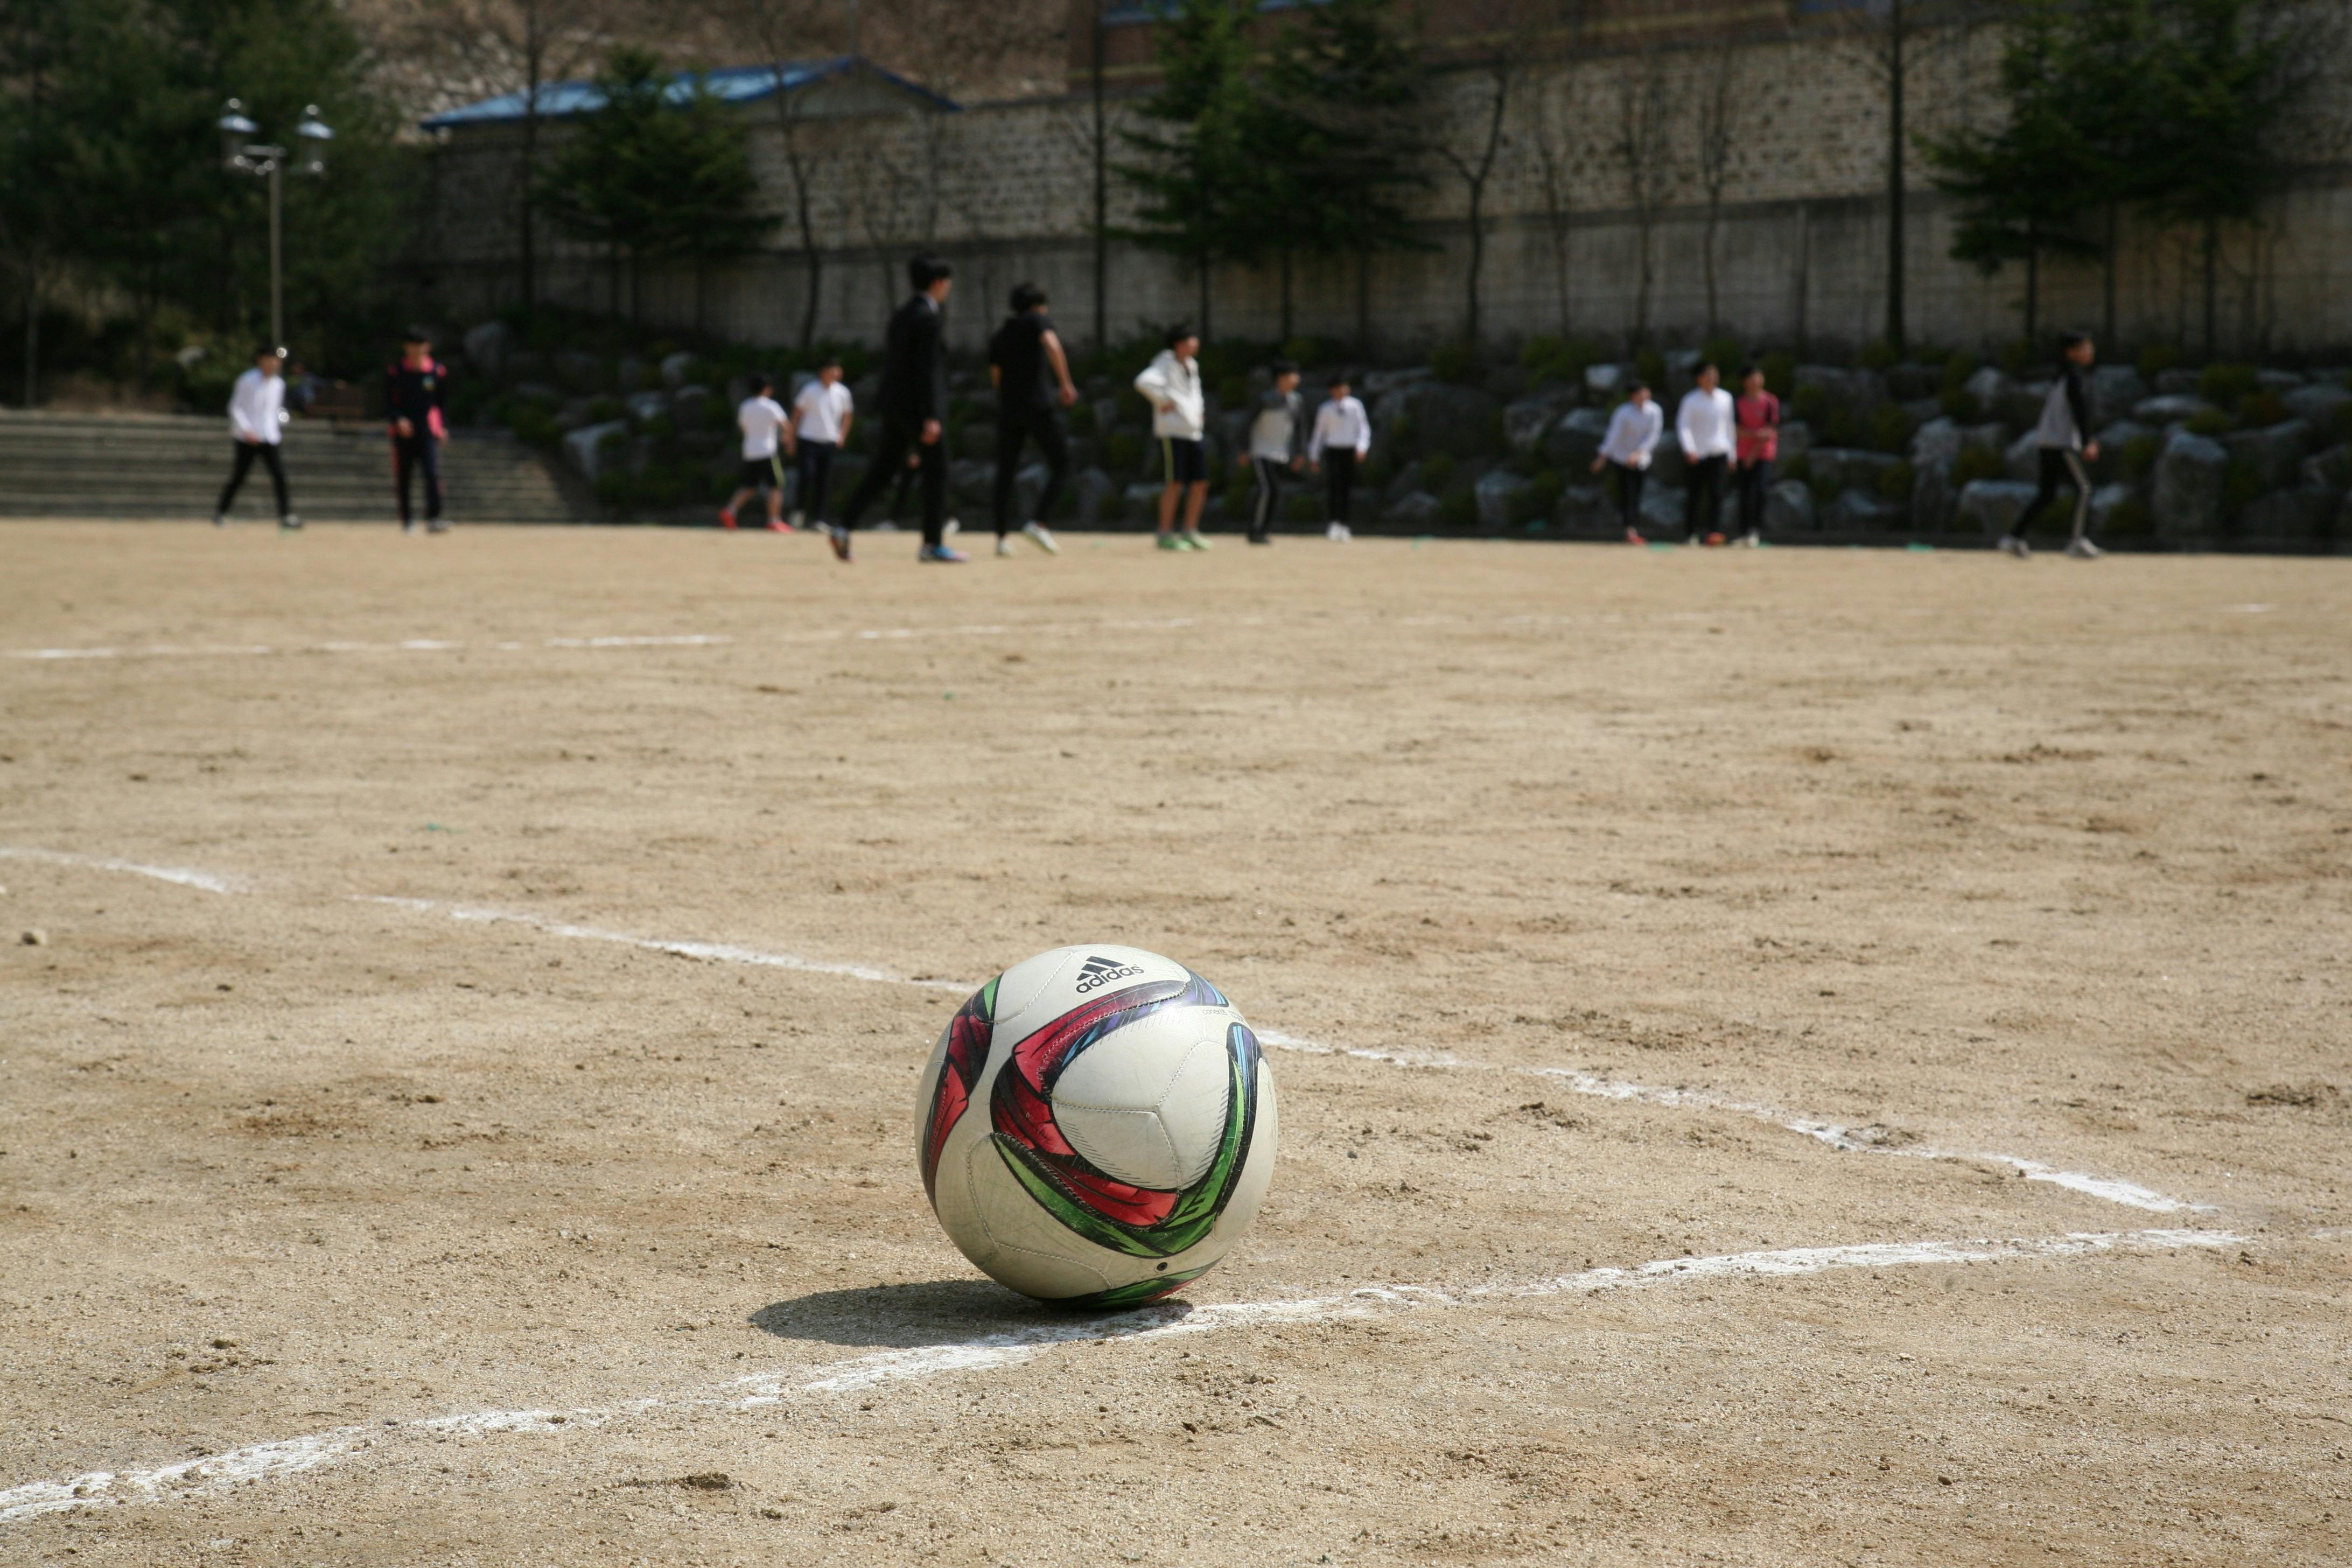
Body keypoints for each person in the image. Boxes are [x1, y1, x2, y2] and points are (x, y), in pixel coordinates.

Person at [829, 254, 960, 563]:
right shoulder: (929, 317)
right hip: (918, 408)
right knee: (938, 470)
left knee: (883, 470)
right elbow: (926, 370)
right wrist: (930, 415)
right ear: (939, 283)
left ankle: (844, 527)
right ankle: (932, 543)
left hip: (894, 405)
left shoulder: (902, 314)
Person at [986, 282, 1073, 557]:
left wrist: (1006, 399)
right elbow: (1052, 345)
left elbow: (996, 377)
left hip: (1009, 408)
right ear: (1039, 305)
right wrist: (1065, 383)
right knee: (1062, 463)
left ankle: (1001, 538)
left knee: (1006, 471)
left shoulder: (1001, 334)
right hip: (1037, 404)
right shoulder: (1037, 320)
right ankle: (1039, 522)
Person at [2001, 331, 2104, 561]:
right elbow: (2080, 411)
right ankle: (2077, 541)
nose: (2090, 352)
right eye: (2085, 348)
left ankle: (2013, 538)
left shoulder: (2063, 375)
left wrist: (2086, 438)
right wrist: (2087, 441)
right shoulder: (2074, 377)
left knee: (2047, 494)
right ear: (2072, 352)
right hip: (2060, 442)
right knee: (2083, 489)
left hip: (2048, 440)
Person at [1135, 325, 1210, 551]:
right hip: (1172, 431)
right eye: (1191, 339)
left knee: (1200, 482)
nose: (1196, 343)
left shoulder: (1192, 365)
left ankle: (1190, 531)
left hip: (1193, 431)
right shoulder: (1164, 363)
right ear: (1179, 344)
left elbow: (1194, 394)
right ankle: (1165, 533)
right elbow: (1142, 382)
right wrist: (1163, 401)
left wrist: (1198, 412)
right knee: (1175, 482)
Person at [213, 345, 300, 530]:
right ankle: (221, 512)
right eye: (271, 358)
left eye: (277, 359)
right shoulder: (247, 380)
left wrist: (283, 419)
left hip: (269, 437)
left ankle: (285, 515)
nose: (275, 363)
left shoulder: (279, 384)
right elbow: (235, 407)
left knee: (279, 476)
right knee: (239, 476)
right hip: (247, 438)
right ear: (261, 359)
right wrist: (247, 430)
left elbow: (276, 411)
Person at [387, 326, 450, 534]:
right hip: (403, 432)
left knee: (432, 474)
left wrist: (442, 427)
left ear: (428, 347)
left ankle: (434, 517)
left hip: (427, 431)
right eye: (413, 345)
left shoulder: (437, 372)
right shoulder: (396, 372)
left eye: (421, 345)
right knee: (404, 476)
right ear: (406, 347)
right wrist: (398, 420)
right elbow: (389, 403)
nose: (417, 350)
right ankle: (407, 520)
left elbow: (441, 404)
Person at [1590, 381, 1661, 544]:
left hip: (1642, 458)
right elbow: (1613, 436)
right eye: (1640, 393)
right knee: (1627, 493)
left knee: (1638, 494)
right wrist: (1602, 457)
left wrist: (1639, 453)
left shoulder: (1654, 411)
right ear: (1632, 396)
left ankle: (1634, 527)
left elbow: (1653, 436)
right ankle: (1630, 530)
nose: (1644, 396)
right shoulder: (1623, 413)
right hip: (1622, 458)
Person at [786, 358, 853, 531]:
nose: (835, 373)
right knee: (807, 474)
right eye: (832, 370)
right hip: (808, 439)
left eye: (837, 370)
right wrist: (791, 439)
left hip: (829, 440)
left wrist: (842, 435)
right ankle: (799, 512)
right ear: (822, 371)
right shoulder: (810, 390)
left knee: (825, 481)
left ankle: (819, 519)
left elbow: (848, 415)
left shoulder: (843, 392)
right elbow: (797, 414)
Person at [1245, 359, 1306, 545]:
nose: (1297, 379)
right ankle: (1255, 529)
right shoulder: (1265, 399)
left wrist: (1300, 452)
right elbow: (1248, 423)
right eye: (1292, 375)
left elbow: (1301, 428)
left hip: (1281, 452)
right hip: (1261, 450)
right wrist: (1244, 448)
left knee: (1274, 491)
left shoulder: (1296, 401)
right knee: (1268, 488)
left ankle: (1263, 530)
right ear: (1281, 378)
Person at [720, 375, 792, 532]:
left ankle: (730, 510)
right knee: (776, 486)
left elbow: (743, 428)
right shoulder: (771, 406)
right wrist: (788, 441)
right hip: (767, 450)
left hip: (750, 450)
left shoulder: (745, 406)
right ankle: (774, 520)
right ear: (767, 389)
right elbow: (786, 426)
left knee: (750, 486)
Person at [1308, 369, 1371, 542]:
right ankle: (1333, 523)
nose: (1341, 391)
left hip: (1349, 450)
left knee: (1347, 488)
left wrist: (1362, 447)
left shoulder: (1355, 406)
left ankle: (1345, 524)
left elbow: (1363, 428)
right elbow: (1319, 433)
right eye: (1337, 388)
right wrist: (1314, 455)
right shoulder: (1326, 409)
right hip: (1333, 450)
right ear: (1331, 391)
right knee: (1334, 487)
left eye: (1344, 387)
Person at [1676, 361, 1735, 545]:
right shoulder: (1691, 400)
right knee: (1695, 494)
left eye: (1714, 374)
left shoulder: (1726, 398)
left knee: (1717, 494)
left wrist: (1732, 454)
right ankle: (1691, 534)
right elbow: (1683, 426)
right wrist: (1689, 449)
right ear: (1699, 378)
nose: (1712, 377)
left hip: (1719, 450)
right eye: (1708, 374)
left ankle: (1714, 532)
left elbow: (1729, 426)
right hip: (1697, 453)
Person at [1732, 365, 1780, 548]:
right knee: (1744, 493)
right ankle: (1743, 532)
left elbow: (1770, 430)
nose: (1757, 381)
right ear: (1745, 382)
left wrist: (1754, 450)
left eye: (1759, 377)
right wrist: (1755, 436)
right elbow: (1736, 430)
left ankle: (1755, 531)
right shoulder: (1739, 403)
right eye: (1753, 378)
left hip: (1763, 453)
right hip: (1742, 453)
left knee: (1760, 491)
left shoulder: (1770, 401)